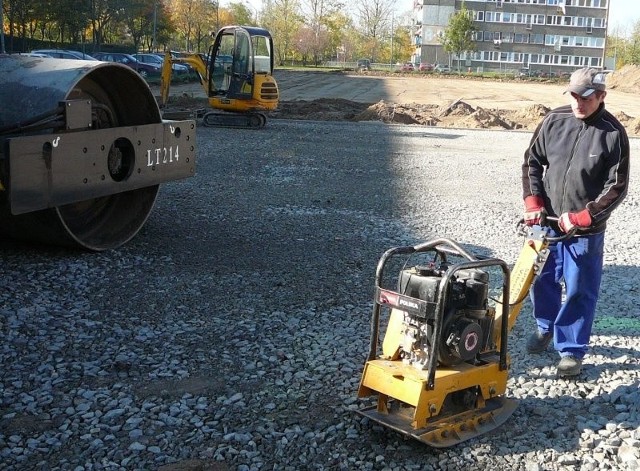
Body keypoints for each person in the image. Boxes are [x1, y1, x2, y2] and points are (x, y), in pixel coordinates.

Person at [521, 67, 630, 378]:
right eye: (572, 95)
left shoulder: (613, 134)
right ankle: (545, 326)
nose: (577, 103)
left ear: (601, 96)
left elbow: (616, 187)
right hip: (547, 222)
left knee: (580, 289)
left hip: (584, 231)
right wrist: (533, 202)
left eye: (585, 98)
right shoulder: (554, 120)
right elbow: (532, 162)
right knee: (541, 279)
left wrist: (585, 217)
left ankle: (570, 349)